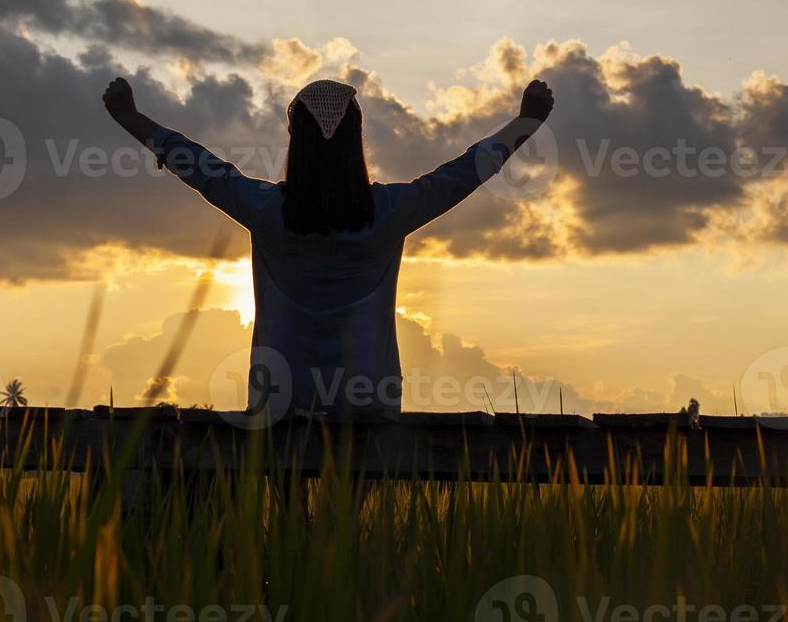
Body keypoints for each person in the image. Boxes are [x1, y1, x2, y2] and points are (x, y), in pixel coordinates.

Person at [102, 75, 555, 420]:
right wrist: (527, 121)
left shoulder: (266, 211)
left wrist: (132, 119)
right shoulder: (389, 212)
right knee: (349, 514)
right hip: (366, 397)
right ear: (356, 142)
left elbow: (200, 166)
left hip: (279, 398)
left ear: (295, 143)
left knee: (289, 513)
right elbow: (463, 173)